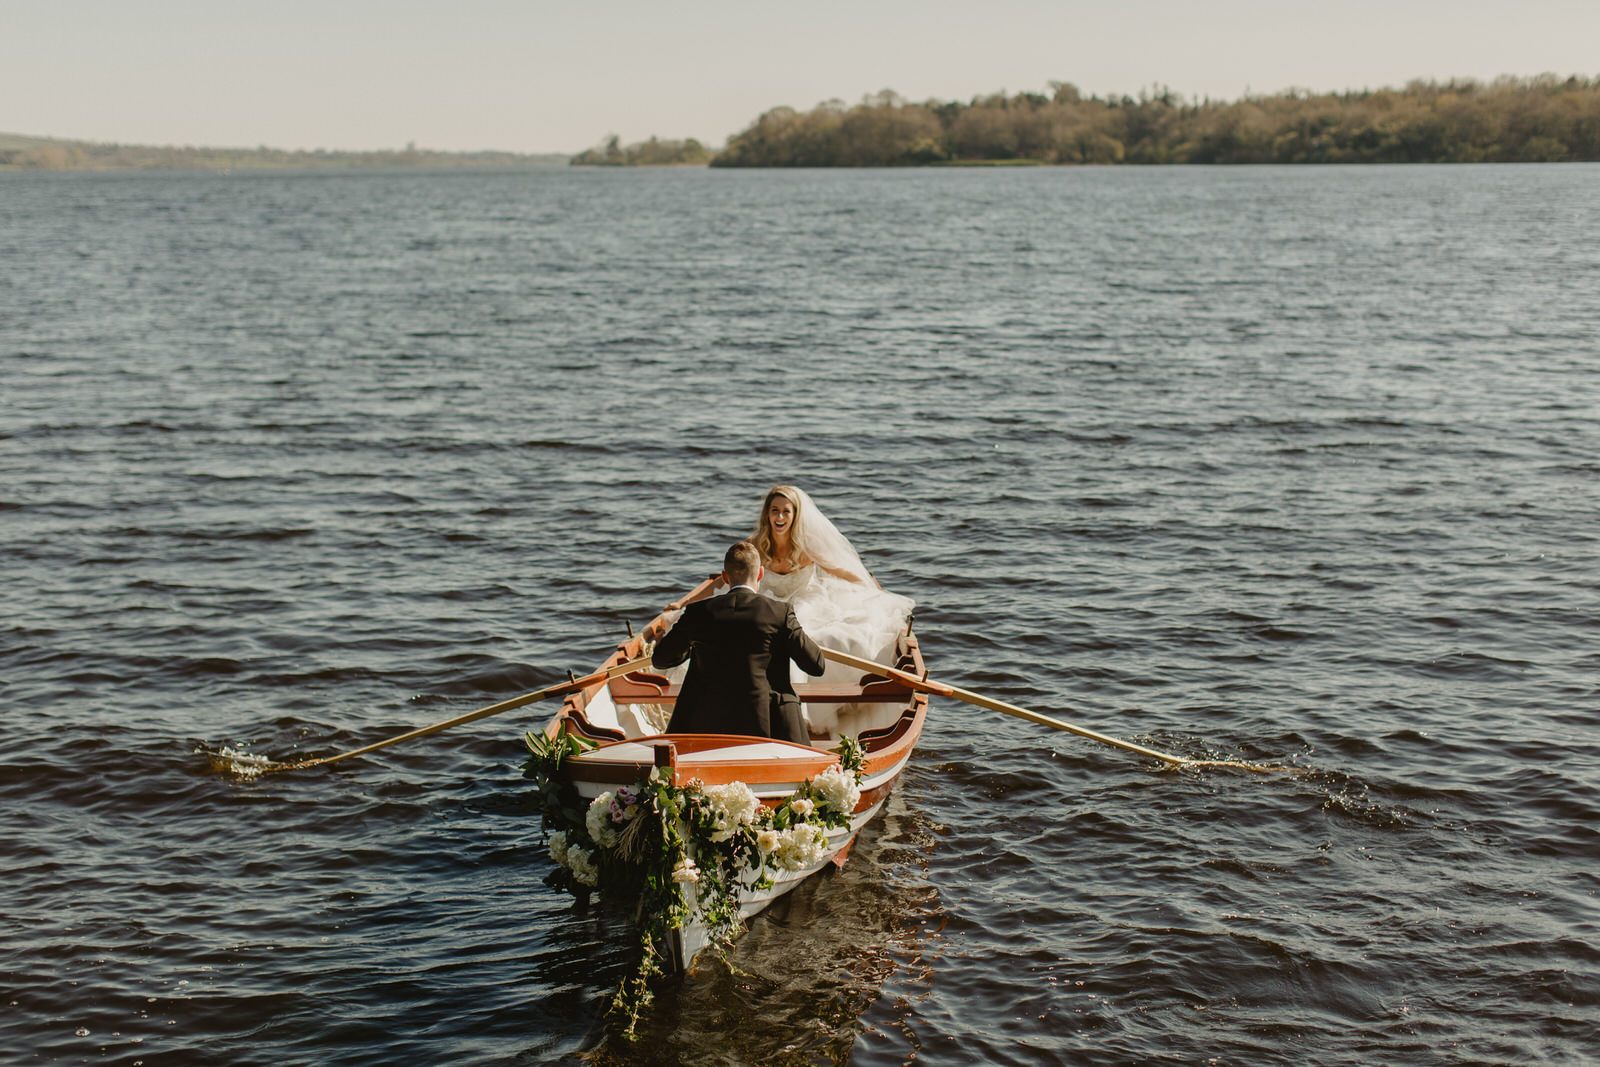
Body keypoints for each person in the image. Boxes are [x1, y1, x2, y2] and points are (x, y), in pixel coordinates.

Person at [652, 541, 825, 743]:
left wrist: (692, 648)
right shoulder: (780, 613)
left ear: (725, 577)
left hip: (706, 723)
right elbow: (816, 665)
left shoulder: (697, 613)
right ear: (760, 574)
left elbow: (661, 660)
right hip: (769, 726)